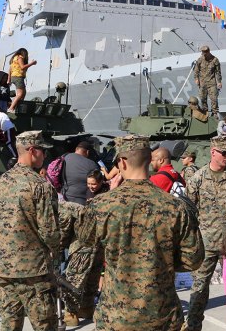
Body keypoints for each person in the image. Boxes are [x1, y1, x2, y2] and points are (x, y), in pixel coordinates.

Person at [81, 134, 204, 330]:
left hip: (116, 315)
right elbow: (193, 259)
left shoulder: (101, 206)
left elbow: (86, 248)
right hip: (162, 314)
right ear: (148, 160)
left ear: (122, 162)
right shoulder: (175, 206)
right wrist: (161, 261)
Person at [0, 130, 61, 331]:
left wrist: (11, 246)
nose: (45, 155)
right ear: (33, 150)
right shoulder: (40, 186)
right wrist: (55, 252)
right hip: (36, 273)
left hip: (6, 270)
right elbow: (50, 233)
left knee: (9, 326)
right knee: (45, 325)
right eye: (43, 151)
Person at [185, 135, 226, 331]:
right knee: (199, 287)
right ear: (213, 152)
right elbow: (189, 213)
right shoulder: (197, 179)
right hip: (206, 244)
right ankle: (193, 326)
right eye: (224, 153)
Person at [57, 199, 95, 325]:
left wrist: (58, 247)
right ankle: (86, 308)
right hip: (96, 239)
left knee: (74, 278)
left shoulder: (61, 208)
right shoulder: (68, 206)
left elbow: (64, 229)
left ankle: (70, 314)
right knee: (91, 277)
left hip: (83, 242)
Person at [62, 141, 101, 205]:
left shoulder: (65, 157)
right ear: (87, 152)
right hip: (81, 201)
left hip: (64, 197)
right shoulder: (91, 164)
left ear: (76, 149)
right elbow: (98, 180)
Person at [193, 45, 222, 118]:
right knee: (203, 98)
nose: (204, 54)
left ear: (208, 51)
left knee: (214, 99)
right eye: (203, 52)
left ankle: (215, 113)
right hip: (202, 83)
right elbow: (196, 70)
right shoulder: (200, 60)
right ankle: (205, 112)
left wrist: (219, 82)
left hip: (212, 82)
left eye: (205, 52)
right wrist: (196, 79)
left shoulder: (215, 60)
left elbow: (218, 72)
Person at [8, 48, 37, 112]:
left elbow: (10, 69)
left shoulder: (14, 59)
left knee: (23, 93)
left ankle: (18, 107)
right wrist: (31, 63)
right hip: (18, 77)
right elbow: (22, 67)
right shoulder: (20, 57)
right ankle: (11, 108)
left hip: (15, 77)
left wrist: (9, 79)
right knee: (20, 94)